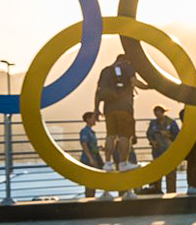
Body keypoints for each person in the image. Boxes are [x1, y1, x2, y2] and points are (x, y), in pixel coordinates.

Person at [93, 52, 147, 198]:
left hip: (109, 109)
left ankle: (108, 162)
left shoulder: (106, 70)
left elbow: (98, 92)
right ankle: (123, 163)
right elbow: (135, 82)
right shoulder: (127, 66)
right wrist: (151, 86)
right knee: (125, 136)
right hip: (125, 108)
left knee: (110, 135)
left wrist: (96, 110)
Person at [145, 105, 180, 194]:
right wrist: (152, 141)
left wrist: (168, 136)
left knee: (171, 175)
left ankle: (171, 193)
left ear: (162, 112)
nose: (157, 116)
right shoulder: (153, 123)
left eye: (158, 113)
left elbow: (178, 136)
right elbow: (149, 134)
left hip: (170, 152)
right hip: (157, 152)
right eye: (155, 114)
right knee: (157, 175)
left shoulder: (171, 122)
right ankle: (157, 192)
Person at [77, 111, 102, 198]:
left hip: (93, 158)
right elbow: (84, 145)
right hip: (88, 160)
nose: (95, 120)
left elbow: (91, 146)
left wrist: (98, 148)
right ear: (88, 119)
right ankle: (89, 197)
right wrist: (90, 158)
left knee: (93, 181)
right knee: (90, 181)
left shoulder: (91, 132)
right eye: (93, 118)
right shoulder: (85, 131)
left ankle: (91, 197)